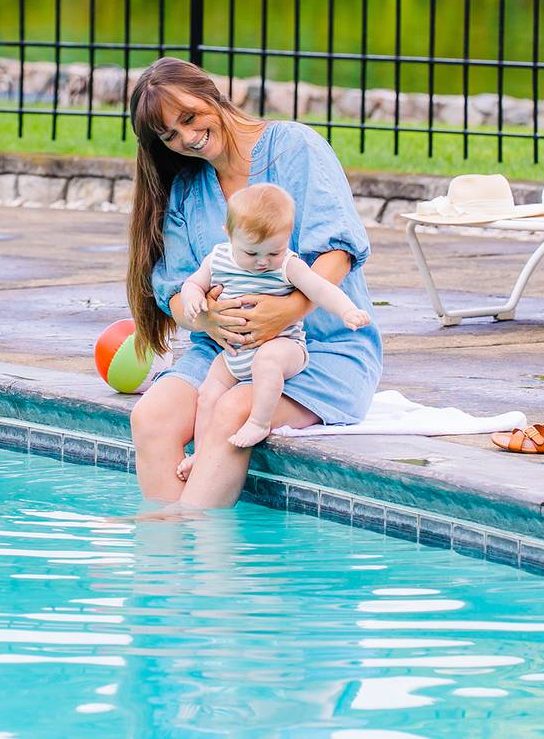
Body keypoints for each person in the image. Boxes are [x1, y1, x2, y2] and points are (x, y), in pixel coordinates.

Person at [125, 58, 382, 510]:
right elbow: (175, 293)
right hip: (225, 354)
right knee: (151, 417)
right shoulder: (187, 188)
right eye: (170, 135)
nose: (187, 137)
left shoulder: (294, 148)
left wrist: (287, 311)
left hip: (319, 351)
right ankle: (166, 549)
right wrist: (207, 320)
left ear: (211, 94)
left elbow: (338, 251)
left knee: (232, 410)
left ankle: (190, 534)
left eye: (189, 117)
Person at [173, 183, 371, 474]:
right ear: (229, 235)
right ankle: (201, 454)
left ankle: (259, 422)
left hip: (284, 347)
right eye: (251, 253)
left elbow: (320, 288)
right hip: (236, 353)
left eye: (274, 252)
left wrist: (347, 310)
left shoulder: (287, 265)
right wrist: (192, 298)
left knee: (267, 361)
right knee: (207, 394)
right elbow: (193, 283)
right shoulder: (217, 259)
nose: (263, 262)